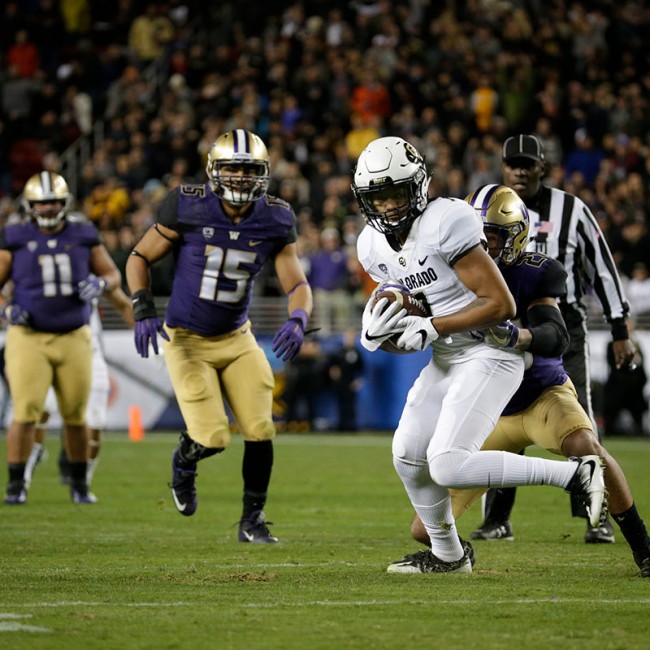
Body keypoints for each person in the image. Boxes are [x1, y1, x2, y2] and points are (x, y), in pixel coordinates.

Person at [353, 136, 607, 574]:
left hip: (491, 352)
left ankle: (576, 476)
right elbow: (407, 329)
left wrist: (431, 327)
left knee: (448, 464)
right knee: (408, 454)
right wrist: (381, 334)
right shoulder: (371, 246)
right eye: (379, 195)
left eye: (396, 191)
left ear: (417, 186)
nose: (390, 205)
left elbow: (501, 305)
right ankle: (449, 556)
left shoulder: (445, 220)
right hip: (448, 357)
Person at [410, 184, 650, 578]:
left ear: (516, 235)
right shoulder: (450, 270)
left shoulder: (535, 271)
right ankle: (459, 555)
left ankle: (644, 547)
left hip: (540, 396)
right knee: (425, 529)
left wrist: (517, 336)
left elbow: (557, 336)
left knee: (587, 448)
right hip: (489, 410)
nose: (482, 244)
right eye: (475, 233)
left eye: (491, 235)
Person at [126, 129, 313, 543]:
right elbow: (139, 256)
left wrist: (298, 317)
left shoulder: (276, 217)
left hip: (237, 337)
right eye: (233, 168)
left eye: (250, 170)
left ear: (263, 174)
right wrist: (142, 307)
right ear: (214, 170)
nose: (242, 178)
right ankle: (184, 461)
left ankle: (252, 520)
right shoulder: (187, 206)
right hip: (187, 340)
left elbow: (296, 283)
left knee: (261, 428)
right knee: (212, 437)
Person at [473, 134, 636, 545]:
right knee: (498, 420)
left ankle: (596, 516)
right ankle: (497, 518)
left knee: (576, 420)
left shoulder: (572, 209)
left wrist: (620, 329)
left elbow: (601, 268)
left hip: (560, 329)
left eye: (529, 164)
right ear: (503, 167)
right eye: (514, 164)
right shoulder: (484, 210)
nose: (521, 171)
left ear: (543, 167)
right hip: (500, 327)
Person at [1, 171, 122, 505]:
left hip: (74, 335)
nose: (49, 207)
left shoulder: (83, 233)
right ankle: (15, 486)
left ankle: (80, 484)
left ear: (65, 203)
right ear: (30, 205)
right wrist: (7, 309)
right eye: (42, 202)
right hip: (29, 336)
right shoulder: (14, 235)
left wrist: (101, 284)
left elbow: (111, 273)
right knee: (25, 413)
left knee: (75, 415)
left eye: (54, 201)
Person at [24, 286, 135, 489]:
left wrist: (147, 333)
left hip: (89, 351)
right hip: (46, 347)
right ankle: (22, 477)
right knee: (40, 408)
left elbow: (118, 293)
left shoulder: (87, 263)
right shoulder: (36, 265)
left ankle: (82, 481)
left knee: (96, 420)